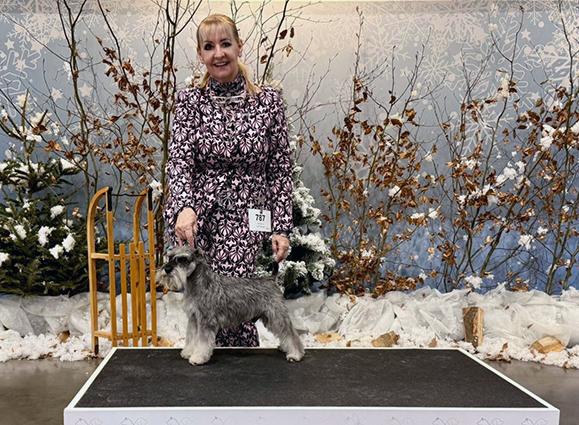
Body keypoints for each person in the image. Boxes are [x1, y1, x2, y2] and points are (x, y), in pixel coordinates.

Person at [164, 14, 293, 347]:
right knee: (203, 307)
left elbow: (279, 168)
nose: (218, 53)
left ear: (239, 46)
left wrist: (281, 226)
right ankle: (205, 367)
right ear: (200, 54)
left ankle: (241, 375)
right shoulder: (188, 102)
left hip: (248, 219)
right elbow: (179, 161)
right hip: (199, 219)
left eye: (225, 44)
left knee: (238, 306)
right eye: (209, 47)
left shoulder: (268, 101)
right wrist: (184, 207)